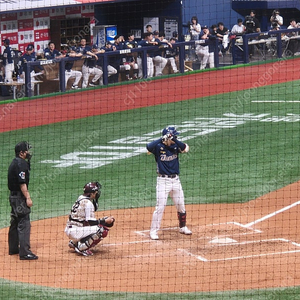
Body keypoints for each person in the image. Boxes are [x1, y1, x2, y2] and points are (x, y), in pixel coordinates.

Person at [147, 126, 192, 240]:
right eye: (174, 135)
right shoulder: (158, 147)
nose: (176, 137)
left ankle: (183, 227)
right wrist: (162, 139)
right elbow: (148, 147)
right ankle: (153, 231)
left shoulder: (176, 145)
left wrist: (174, 140)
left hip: (176, 181)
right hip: (163, 181)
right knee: (160, 207)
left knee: (180, 205)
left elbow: (185, 148)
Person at [65, 181, 115, 256]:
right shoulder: (88, 203)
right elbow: (91, 222)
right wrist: (105, 221)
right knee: (101, 230)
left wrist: (104, 220)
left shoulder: (81, 198)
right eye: (95, 192)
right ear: (91, 193)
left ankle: (75, 242)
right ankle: (82, 248)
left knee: (91, 223)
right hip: (75, 231)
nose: (97, 193)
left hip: (71, 229)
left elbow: (89, 217)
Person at [8, 141, 38, 260]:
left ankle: (13, 248)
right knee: (24, 222)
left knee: (15, 221)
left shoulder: (15, 162)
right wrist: (28, 198)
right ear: (21, 153)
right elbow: (22, 184)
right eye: (27, 150)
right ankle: (25, 252)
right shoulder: (21, 164)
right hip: (19, 198)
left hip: (13, 197)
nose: (28, 152)